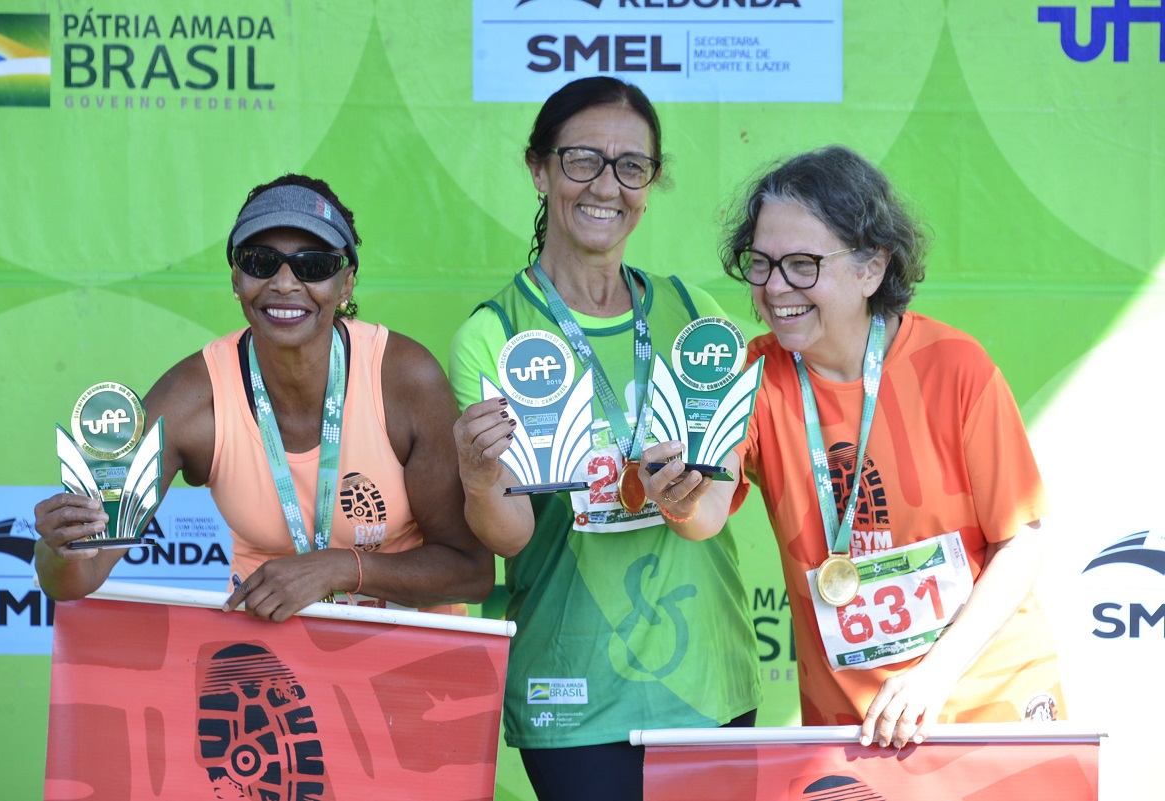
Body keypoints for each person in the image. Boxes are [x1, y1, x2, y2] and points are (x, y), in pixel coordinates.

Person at [449, 77, 762, 801]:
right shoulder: (493, 334)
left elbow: (709, 514)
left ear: (652, 181)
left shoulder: (698, 316)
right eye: (583, 159)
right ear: (539, 168)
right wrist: (476, 477)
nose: (607, 186)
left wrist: (681, 496)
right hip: (573, 688)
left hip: (707, 677)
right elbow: (512, 536)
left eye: (632, 166)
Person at [703, 145, 1066, 749]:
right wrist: (671, 483)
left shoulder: (954, 367)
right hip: (856, 726)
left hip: (984, 705)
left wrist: (934, 676)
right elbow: (705, 513)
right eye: (760, 263)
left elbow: (1021, 543)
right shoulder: (752, 378)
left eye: (801, 263)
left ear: (872, 267)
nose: (774, 286)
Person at [35, 174, 494, 620]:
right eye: (261, 261)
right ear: (236, 278)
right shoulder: (194, 397)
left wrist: (337, 569)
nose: (285, 283)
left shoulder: (402, 379)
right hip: (271, 672)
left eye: (313, 265)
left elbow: (471, 572)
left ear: (346, 283)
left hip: (412, 662)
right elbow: (79, 577)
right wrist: (58, 551)